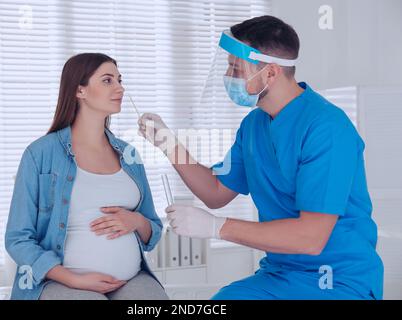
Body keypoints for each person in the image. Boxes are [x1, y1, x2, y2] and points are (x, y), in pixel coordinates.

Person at [138, 16, 383, 300]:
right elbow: (216, 192)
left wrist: (217, 227)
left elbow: (311, 237)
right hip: (280, 273)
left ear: (270, 73)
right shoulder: (254, 125)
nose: (227, 76)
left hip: (338, 279)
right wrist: (168, 143)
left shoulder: (327, 128)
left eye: (235, 67)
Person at [5, 53, 168, 300]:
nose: (120, 88)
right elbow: (18, 238)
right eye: (107, 80)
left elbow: (152, 228)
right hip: (62, 281)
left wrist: (137, 222)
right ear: (80, 90)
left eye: (119, 80)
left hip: (130, 278)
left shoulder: (129, 154)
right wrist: (73, 278)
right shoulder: (40, 154)